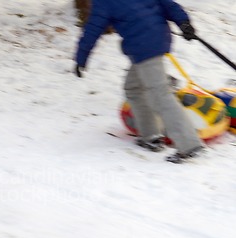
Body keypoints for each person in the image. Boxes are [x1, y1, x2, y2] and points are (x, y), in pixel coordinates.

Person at [74, 0, 205, 163]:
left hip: (143, 47)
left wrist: (81, 58)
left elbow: (92, 30)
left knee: (160, 94)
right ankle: (151, 136)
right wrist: (184, 22)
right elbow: (168, 4)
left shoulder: (104, 2)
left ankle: (189, 144)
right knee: (133, 88)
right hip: (158, 38)